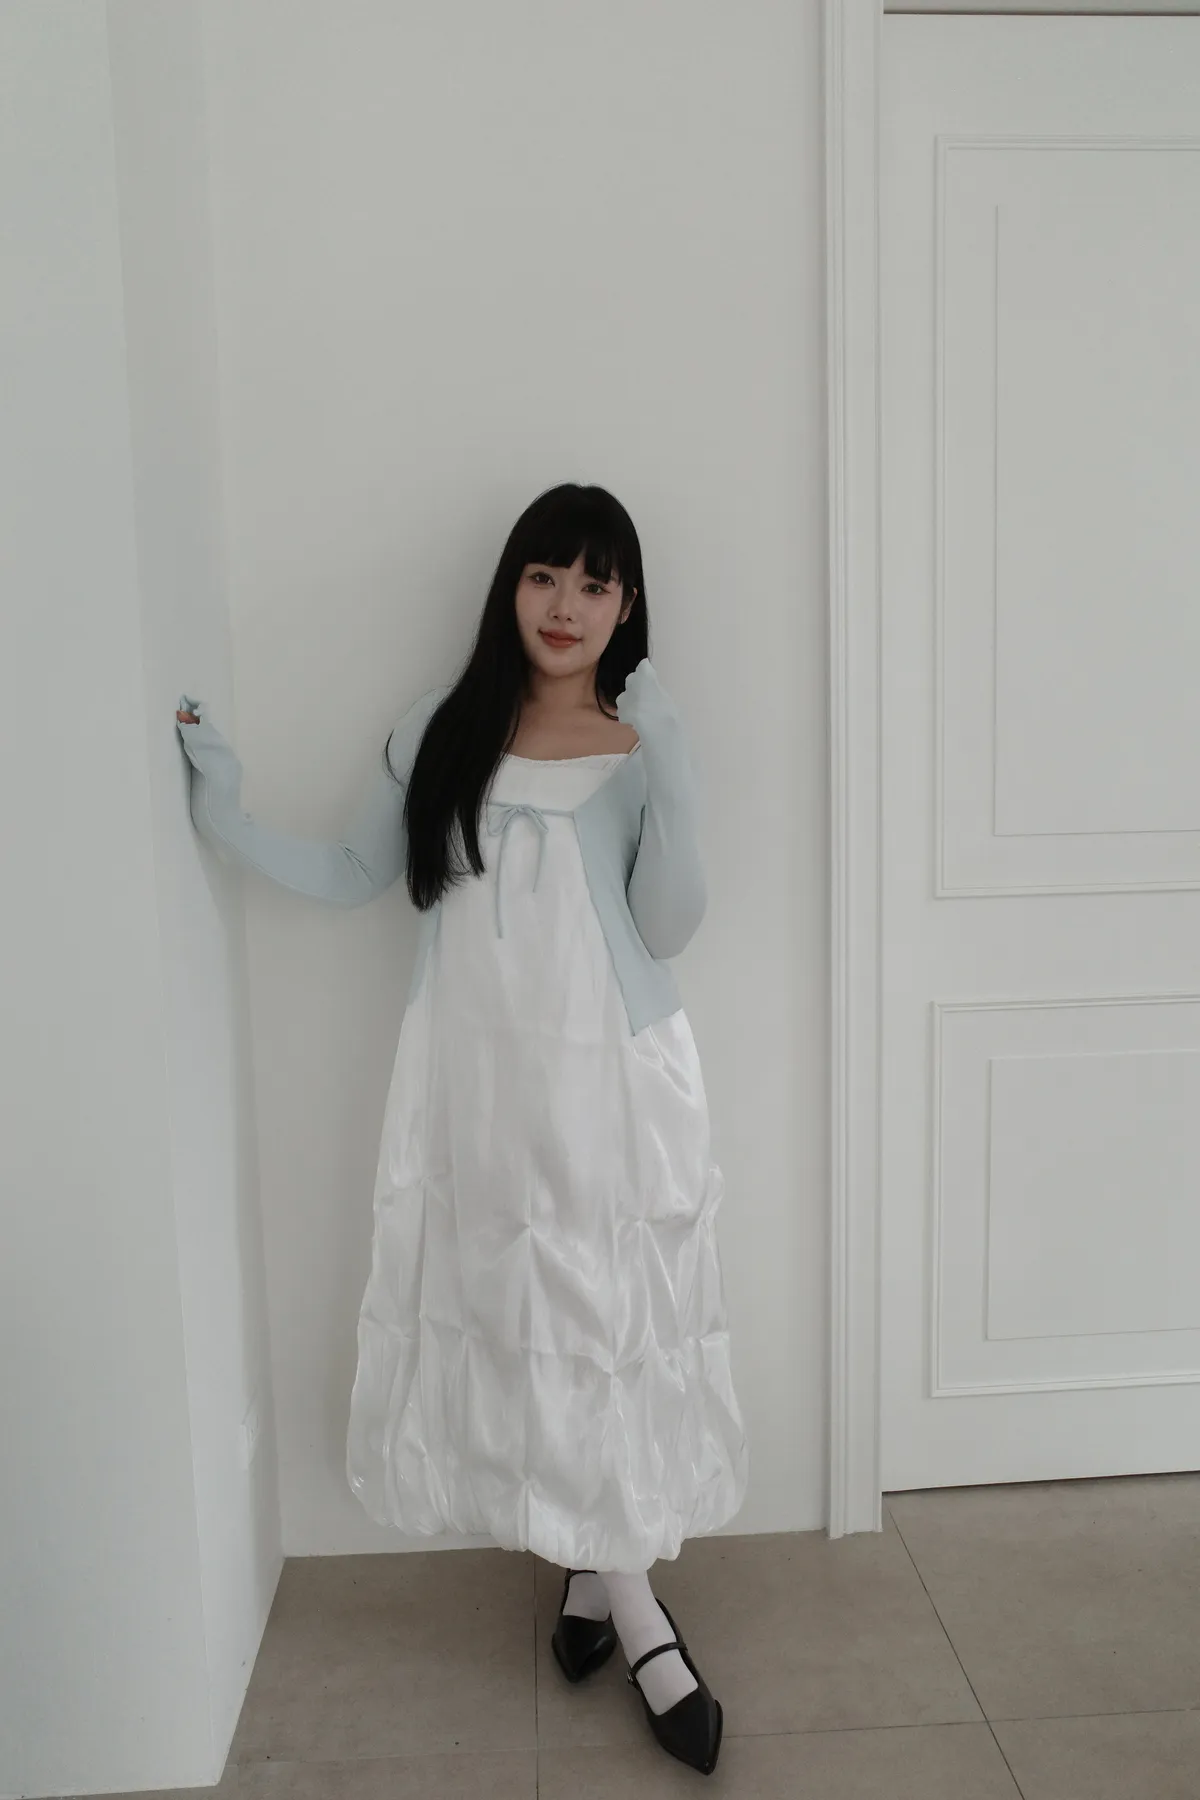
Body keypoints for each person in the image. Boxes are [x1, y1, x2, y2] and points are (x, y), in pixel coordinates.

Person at [176, 481, 748, 1776]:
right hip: (477, 1086)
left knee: (607, 1329)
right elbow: (354, 872)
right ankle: (599, 1578)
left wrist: (675, 770)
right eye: (546, 575)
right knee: (524, 1323)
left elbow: (668, 925)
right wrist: (224, 814)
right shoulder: (441, 729)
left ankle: (629, 1608)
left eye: (595, 583)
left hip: (618, 1083)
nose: (566, 605)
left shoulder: (638, 742)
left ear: (628, 606)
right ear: (511, 586)